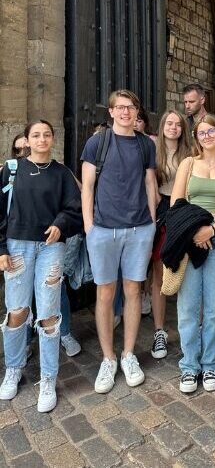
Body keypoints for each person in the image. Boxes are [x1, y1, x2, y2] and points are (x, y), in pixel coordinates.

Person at [0, 120, 82, 412]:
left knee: (48, 313)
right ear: (27, 140)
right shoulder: (11, 170)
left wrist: (61, 225)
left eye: (47, 134)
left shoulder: (61, 173)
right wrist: (1, 249)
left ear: (53, 139)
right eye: (36, 135)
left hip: (50, 247)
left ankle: (48, 378)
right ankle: (13, 367)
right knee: (17, 311)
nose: (42, 139)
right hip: (17, 245)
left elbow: (75, 209)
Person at [81, 89, 157, 394]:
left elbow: (150, 182)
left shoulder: (144, 145)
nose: (126, 112)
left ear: (137, 113)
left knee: (133, 290)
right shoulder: (97, 143)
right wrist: (89, 226)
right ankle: (108, 358)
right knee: (105, 293)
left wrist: (151, 221)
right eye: (121, 107)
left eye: (131, 107)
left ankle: (128, 355)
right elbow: (87, 186)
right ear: (111, 112)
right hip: (103, 229)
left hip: (139, 228)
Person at [171, 114, 215, 393]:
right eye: (202, 132)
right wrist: (195, 230)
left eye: (212, 131)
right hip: (189, 238)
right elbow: (176, 201)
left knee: (213, 307)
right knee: (188, 306)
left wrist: (211, 230)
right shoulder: (188, 164)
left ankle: (209, 363)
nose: (207, 136)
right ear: (196, 137)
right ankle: (189, 365)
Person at [149, 110, 190, 359]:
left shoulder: (190, 151)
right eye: (169, 123)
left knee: (185, 272)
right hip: (161, 209)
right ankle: (159, 331)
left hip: (184, 209)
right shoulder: (153, 150)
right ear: (163, 125)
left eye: (178, 124)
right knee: (159, 275)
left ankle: (187, 328)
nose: (173, 127)